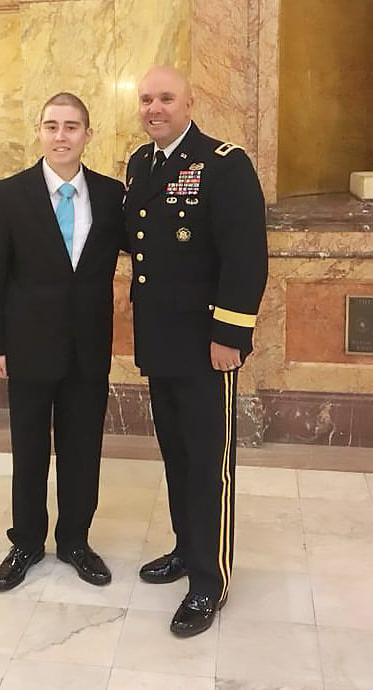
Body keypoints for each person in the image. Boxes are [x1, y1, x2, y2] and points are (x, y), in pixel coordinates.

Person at [124, 66, 268, 636]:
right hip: (160, 343)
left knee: (210, 465)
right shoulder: (142, 163)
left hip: (208, 346)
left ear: (190, 102)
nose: (153, 107)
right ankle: (186, 549)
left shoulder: (225, 164)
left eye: (165, 98)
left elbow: (246, 257)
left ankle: (210, 582)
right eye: (145, 99)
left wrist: (231, 336)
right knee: (176, 456)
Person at [0, 92, 126, 592]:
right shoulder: (8, 194)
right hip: (27, 346)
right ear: (39, 132)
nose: (61, 136)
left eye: (71, 127)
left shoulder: (111, 195)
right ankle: (25, 541)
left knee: (84, 447)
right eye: (52, 126)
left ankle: (76, 541)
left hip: (88, 347)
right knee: (30, 448)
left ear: (88, 134)